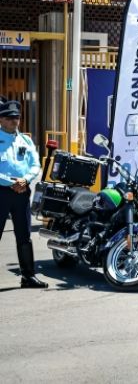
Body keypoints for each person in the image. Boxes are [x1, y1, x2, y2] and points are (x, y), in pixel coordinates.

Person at [0, 100, 47, 288]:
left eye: (17, 118)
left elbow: (35, 165)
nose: (15, 121)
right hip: (2, 191)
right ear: (1, 119)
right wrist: (12, 182)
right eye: (10, 118)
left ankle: (28, 276)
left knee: (24, 235)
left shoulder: (25, 140)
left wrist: (25, 180)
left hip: (21, 192)